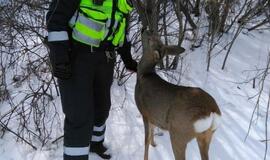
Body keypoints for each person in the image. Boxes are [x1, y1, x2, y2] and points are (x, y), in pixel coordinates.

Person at [46, 0, 137, 159]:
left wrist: (128, 60)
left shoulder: (122, 2)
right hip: (77, 57)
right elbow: (56, 20)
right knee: (79, 114)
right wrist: (60, 59)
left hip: (106, 59)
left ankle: (95, 145)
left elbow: (121, 31)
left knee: (102, 108)